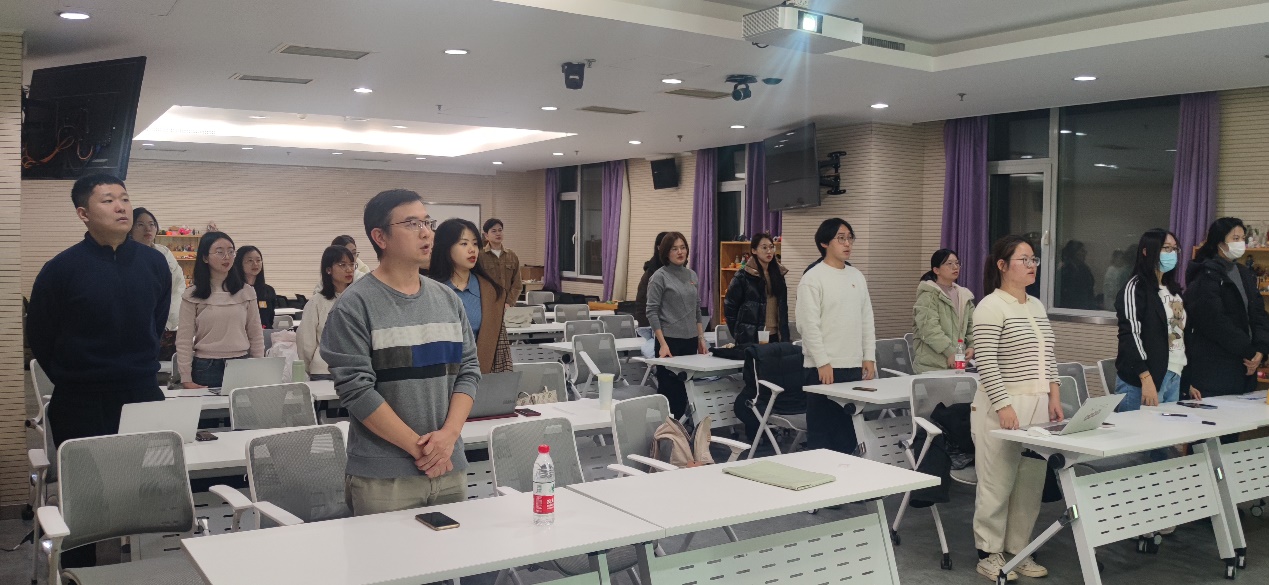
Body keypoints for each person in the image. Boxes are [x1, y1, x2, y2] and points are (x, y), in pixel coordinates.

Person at [26, 175, 171, 568]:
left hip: (141, 393)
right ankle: (78, 571)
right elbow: (41, 335)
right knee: (85, 499)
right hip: (81, 399)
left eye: (124, 198)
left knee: (148, 491)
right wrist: (76, 374)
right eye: (107, 200)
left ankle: (147, 570)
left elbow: (155, 323)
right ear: (83, 213)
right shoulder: (61, 269)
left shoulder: (154, 263)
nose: (121, 206)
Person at [321, 189, 480, 516]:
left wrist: (449, 437)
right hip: (385, 477)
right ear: (380, 237)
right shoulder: (354, 307)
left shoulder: (447, 300)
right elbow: (357, 391)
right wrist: (423, 450)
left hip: (449, 465)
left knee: (454, 549)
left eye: (427, 222)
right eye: (411, 224)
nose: (426, 233)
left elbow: (468, 370)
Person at [971, 235, 1063, 581]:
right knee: (997, 483)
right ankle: (988, 553)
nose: (1032, 265)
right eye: (1024, 259)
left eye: (1033, 259)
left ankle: (1018, 550)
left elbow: (1048, 357)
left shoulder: (1036, 306)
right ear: (1002, 265)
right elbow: (986, 362)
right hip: (1002, 407)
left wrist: (1054, 396)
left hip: (1037, 406)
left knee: (1029, 484)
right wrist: (1003, 405)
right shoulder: (990, 306)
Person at [796, 218, 876, 456]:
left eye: (850, 238)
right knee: (823, 435)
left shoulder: (856, 276)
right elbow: (808, 325)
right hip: (823, 368)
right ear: (824, 243)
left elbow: (866, 319)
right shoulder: (813, 278)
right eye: (841, 238)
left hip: (853, 366)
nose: (847, 243)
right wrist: (822, 361)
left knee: (849, 434)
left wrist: (869, 357)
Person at [1183, 217, 1269, 398]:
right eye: (1235, 238)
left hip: (1246, 367)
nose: (1241, 243)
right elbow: (1214, 321)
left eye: (1243, 238)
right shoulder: (1205, 273)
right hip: (1215, 367)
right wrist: (1249, 351)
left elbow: (1259, 313)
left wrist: (1261, 350)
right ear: (1219, 242)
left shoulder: (1244, 273)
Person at [1115, 229, 1198, 411]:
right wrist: (1145, 377)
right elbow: (1130, 335)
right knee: (1138, 429)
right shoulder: (1135, 288)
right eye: (1166, 248)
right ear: (1146, 251)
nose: (1172, 253)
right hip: (1144, 380)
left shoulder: (1173, 290)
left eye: (1174, 249)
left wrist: (1186, 381)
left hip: (1174, 375)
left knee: (1168, 429)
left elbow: (1180, 334)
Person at [176, 232, 265, 388]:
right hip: (205, 367)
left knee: (240, 405)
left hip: (241, 364)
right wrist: (185, 377)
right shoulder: (191, 295)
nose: (227, 257)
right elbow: (184, 339)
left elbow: (255, 334)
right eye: (220, 252)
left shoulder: (246, 292)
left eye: (231, 252)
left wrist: (258, 367)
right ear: (205, 257)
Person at [430, 218, 512, 374]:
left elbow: (501, 349)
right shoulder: (430, 290)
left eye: (475, 244)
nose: (472, 249)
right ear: (446, 247)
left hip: (481, 377)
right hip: (440, 378)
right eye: (464, 244)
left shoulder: (491, 291)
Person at [646, 231, 707, 418]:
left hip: (690, 341)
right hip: (669, 342)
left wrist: (701, 338)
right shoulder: (659, 276)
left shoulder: (692, 275)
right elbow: (651, 311)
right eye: (674, 249)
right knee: (671, 393)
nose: (680, 252)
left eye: (683, 248)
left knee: (687, 391)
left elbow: (696, 309)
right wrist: (662, 343)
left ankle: (683, 430)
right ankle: (665, 431)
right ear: (666, 253)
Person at [130, 207, 186, 360]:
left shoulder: (164, 253)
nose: (148, 229)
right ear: (130, 228)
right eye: (140, 224)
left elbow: (178, 287)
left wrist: (169, 320)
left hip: (165, 320)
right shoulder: (124, 256)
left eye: (152, 224)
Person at [297, 246, 356, 381]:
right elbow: (305, 342)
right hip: (324, 370)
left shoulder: (358, 300)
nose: (349, 269)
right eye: (342, 265)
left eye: (352, 264)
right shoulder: (316, 302)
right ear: (328, 269)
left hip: (355, 371)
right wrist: (311, 367)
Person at [911, 248, 975, 374]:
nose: (955, 267)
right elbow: (929, 329)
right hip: (931, 366)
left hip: (957, 363)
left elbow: (972, 324)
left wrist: (972, 346)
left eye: (957, 263)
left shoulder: (964, 295)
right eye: (949, 264)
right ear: (936, 270)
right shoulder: (928, 294)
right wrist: (950, 352)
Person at [723, 232, 789, 344]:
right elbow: (730, 307)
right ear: (754, 250)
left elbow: (783, 309)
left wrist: (785, 336)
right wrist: (739, 333)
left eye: (771, 247)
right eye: (764, 247)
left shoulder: (779, 275)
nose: (769, 251)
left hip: (776, 336)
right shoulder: (743, 276)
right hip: (751, 337)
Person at [478, 218, 523, 308]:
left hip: (508, 305)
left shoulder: (511, 255)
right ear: (486, 235)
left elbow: (517, 284)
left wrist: (509, 302)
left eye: (500, 230)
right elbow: (477, 282)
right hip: (486, 305)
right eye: (494, 231)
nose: (498, 233)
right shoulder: (480, 256)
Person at [234, 245, 276, 329]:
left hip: (264, 334)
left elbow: (270, 320)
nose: (255, 264)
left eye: (258, 260)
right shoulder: (233, 290)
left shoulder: (268, 291)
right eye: (250, 260)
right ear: (239, 263)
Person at [634, 231, 669, 327]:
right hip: (654, 326)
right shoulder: (651, 274)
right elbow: (642, 305)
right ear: (659, 247)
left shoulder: (682, 273)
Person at [1057, 239, 1097, 309]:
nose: (1085, 253)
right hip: (1069, 308)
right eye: (1082, 250)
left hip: (1084, 307)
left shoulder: (1084, 269)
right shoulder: (1065, 270)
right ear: (1074, 253)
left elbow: (1090, 287)